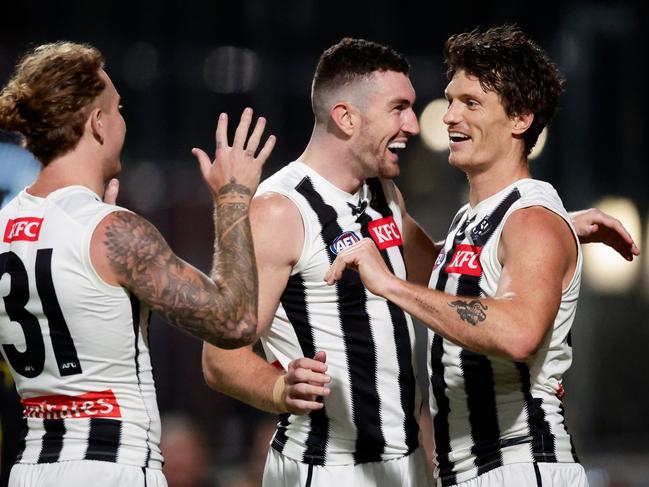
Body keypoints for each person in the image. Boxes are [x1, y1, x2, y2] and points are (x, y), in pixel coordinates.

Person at [202, 37, 638, 487]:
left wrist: (546, 228)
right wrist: (277, 388)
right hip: (327, 468)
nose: (418, 122)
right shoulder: (279, 210)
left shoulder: (386, 197)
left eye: (466, 102)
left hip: (424, 465)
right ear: (346, 117)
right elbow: (220, 358)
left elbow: (451, 283)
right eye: (399, 108)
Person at [325, 25, 635, 487]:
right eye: (451, 99)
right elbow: (444, 277)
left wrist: (390, 286)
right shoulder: (481, 219)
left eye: (471, 103)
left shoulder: (530, 221)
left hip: (520, 466)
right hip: (475, 472)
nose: (450, 116)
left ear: (521, 118)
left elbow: (517, 332)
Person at [0, 42, 274, 486]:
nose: (124, 119)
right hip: (111, 468)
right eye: (118, 107)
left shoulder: (5, 225)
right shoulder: (113, 232)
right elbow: (236, 321)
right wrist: (233, 197)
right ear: (97, 123)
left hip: (31, 469)